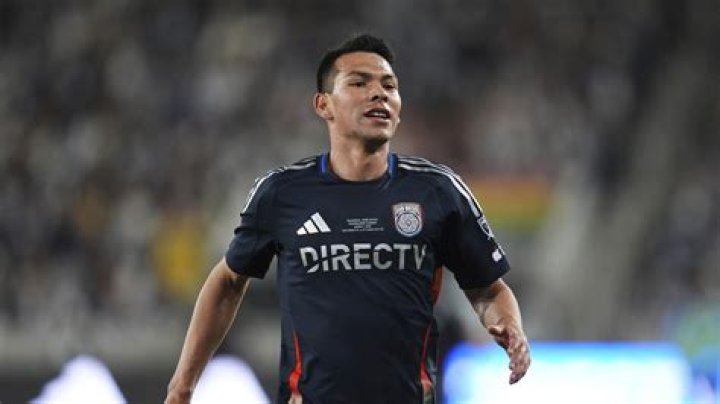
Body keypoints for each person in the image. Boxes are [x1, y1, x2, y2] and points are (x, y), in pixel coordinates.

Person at [165, 33, 531, 404]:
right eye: (359, 83)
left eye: (389, 85)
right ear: (324, 104)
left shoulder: (438, 191)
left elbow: (488, 290)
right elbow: (228, 282)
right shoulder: (282, 194)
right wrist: (183, 385)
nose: (379, 94)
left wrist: (510, 326)